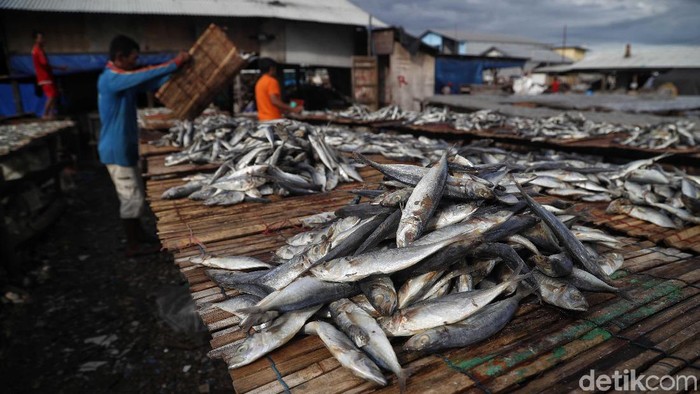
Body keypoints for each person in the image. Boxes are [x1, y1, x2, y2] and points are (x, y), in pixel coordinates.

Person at [97, 35, 190, 256]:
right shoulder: (111, 78)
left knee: (135, 194)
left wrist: (176, 73)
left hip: (126, 149)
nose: (136, 63)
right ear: (120, 57)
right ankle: (132, 245)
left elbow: (151, 81)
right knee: (131, 198)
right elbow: (145, 74)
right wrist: (175, 62)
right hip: (116, 151)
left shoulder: (124, 81)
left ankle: (139, 235)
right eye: (133, 58)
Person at [31, 30, 66, 119]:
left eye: (43, 38)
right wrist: (59, 67)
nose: (43, 40)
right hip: (44, 77)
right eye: (40, 38)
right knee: (51, 95)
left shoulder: (39, 50)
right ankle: (45, 114)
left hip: (47, 76)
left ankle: (52, 113)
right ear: (36, 39)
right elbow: (44, 63)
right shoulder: (37, 50)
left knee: (54, 94)